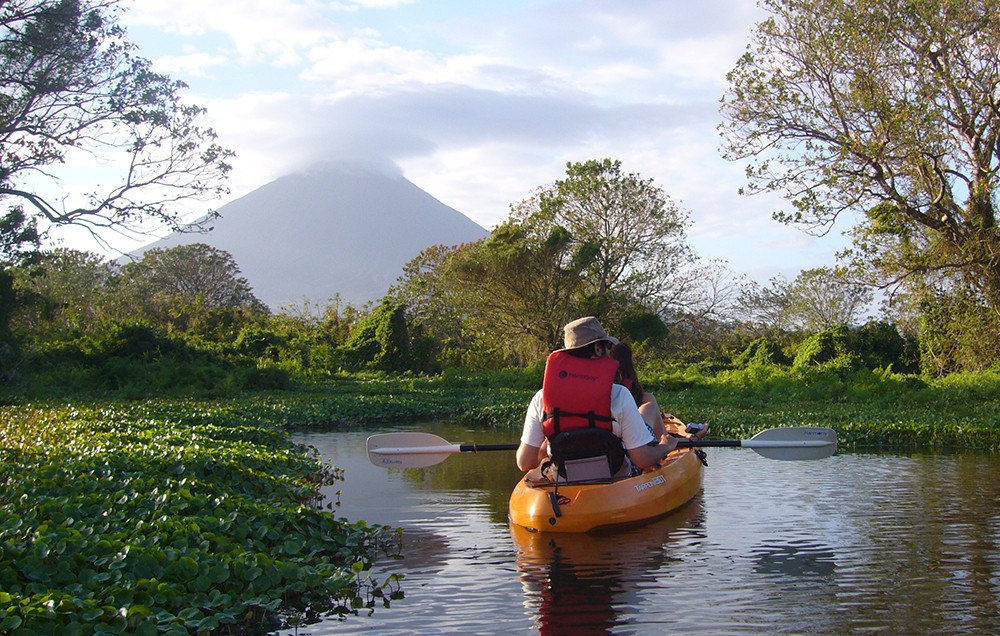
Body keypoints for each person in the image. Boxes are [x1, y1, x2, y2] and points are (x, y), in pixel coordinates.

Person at [516, 316, 679, 479]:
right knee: (648, 409)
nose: (609, 353)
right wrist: (665, 447)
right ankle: (664, 438)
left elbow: (524, 463)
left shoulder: (541, 398)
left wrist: (544, 452)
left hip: (565, 479)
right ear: (598, 349)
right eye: (607, 347)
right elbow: (642, 459)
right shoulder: (619, 394)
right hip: (617, 478)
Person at [610, 342, 710, 441]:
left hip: (604, 447)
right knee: (649, 406)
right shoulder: (645, 400)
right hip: (637, 449)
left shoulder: (599, 393)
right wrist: (695, 438)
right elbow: (664, 441)